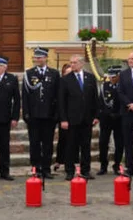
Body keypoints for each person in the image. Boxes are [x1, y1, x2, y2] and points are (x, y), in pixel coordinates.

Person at [58, 56, 98, 179]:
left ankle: (86, 170)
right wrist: (63, 119)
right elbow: (61, 101)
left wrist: (96, 116)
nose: (72, 65)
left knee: (86, 146)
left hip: (87, 119)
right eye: (71, 63)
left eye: (75, 63)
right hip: (71, 119)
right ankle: (69, 171)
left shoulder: (90, 78)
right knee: (71, 146)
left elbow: (95, 98)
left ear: (81, 64)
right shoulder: (65, 80)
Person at [22, 48, 60, 177]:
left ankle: (46, 169)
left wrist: (56, 114)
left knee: (48, 144)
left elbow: (57, 95)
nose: (37, 60)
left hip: (49, 115)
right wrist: (26, 113)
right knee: (34, 143)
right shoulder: (29, 74)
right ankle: (35, 168)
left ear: (45, 58)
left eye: (39, 57)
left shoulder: (54, 74)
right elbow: (25, 95)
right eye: (35, 57)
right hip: (34, 115)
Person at [97, 66, 124, 175]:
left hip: (119, 118)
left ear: (119, 76)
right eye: (111, 76)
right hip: (106, 118)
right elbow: (100, 102)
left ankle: (116, 165)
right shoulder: (104, 86)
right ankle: (103, 165)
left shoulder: (123, 87)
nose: (112, 78)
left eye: (114, 76)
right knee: (103, 142)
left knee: (119, 143)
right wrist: (101, 115)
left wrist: (119, 114)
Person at [53, 63, 72, 178]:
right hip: (63, 115)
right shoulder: (60, 83)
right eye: (67, 73)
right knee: (63, 139)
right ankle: (59, 160)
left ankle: (71, 162)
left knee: (72, 141)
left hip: (74, 116)